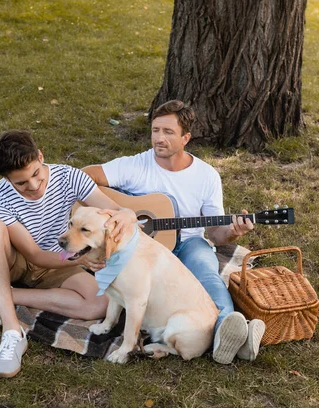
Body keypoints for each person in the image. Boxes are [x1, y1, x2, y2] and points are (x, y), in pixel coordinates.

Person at [83, 100, 266, 365]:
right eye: (156, 130)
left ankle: (229, 331)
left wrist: (234, 233)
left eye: (168, 132)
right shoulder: (135, 165)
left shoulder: (206, 176)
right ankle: (235, 342)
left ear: (186, 138)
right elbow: (85, 177)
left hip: (190, 243)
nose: (159, 138)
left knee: (208, 276)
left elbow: (215, 235)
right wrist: (117, 210)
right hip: (142, 250)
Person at [0, 130, 136, 378]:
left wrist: (127, 213)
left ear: (41, 156)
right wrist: (78, 258)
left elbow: (112, 211)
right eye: (21, 183)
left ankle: (2, 294)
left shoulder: (69, 176)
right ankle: (12, 331)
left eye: (36, 174)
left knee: (101, 304)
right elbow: (34, 254)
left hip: (60, 259)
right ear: (6, 179)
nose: (33, 187)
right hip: (17, 261)